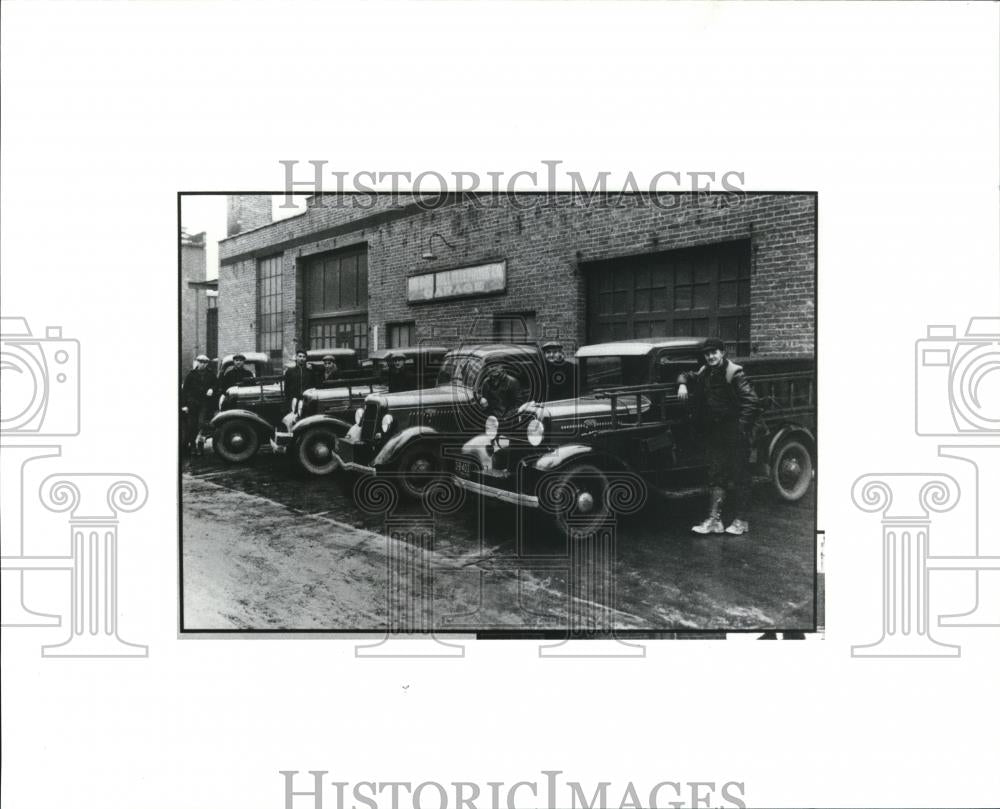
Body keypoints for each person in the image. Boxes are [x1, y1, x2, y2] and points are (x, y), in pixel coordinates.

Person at [677, 338, 761, 536]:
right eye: (707, 354)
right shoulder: (705, 371)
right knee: (716, 475)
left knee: (740, 476)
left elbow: (751, 402)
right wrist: (682, 384)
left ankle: (741, 521)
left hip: (735, 432)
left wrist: (741, 429)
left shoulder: (735, 373)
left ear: (722, 352)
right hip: (716, 432)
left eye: (714, 352)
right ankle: (715, 520)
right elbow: (684, 374)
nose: (710, 357)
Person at [181, 354, 217, 455]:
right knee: (192, 426)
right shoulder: (191, 374)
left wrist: (212, 389)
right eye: (201, 362)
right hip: (192, 403)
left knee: (201, 425)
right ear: (197, 362)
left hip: (204, 403)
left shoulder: (211, 374)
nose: (203, 364)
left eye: (205, 362)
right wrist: (184, 405)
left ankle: (200, 447)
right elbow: (185, 391)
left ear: (207, 364)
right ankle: (192, 447)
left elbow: (216, 384)